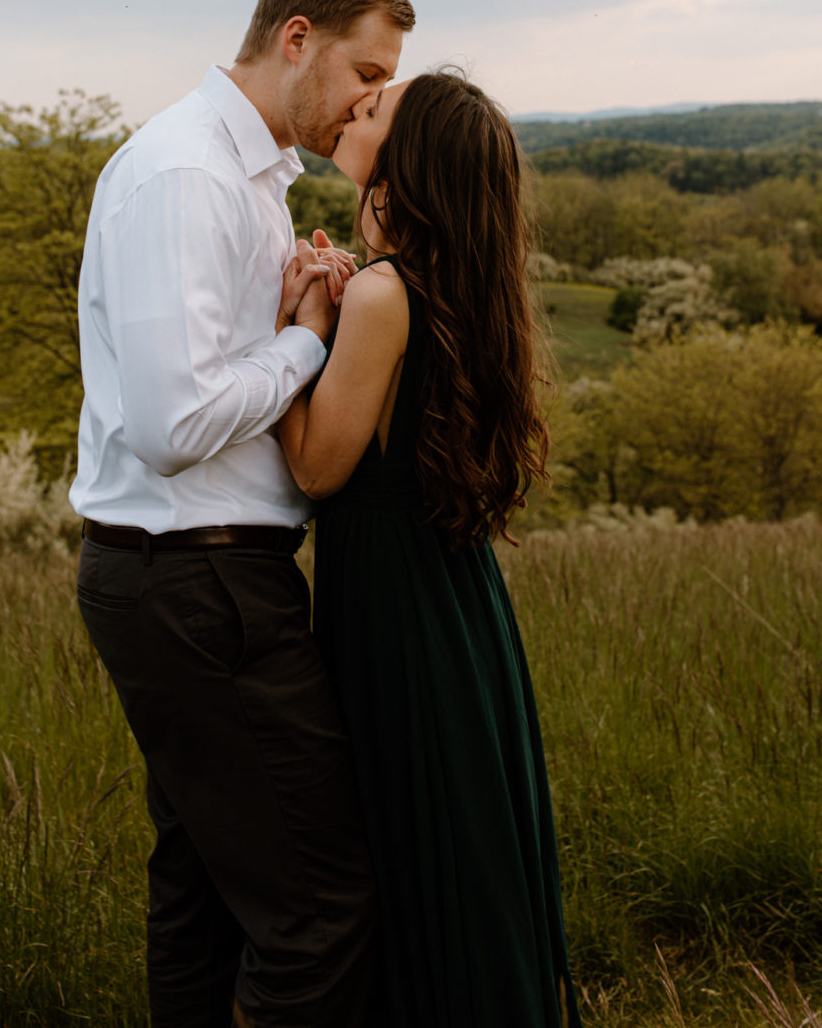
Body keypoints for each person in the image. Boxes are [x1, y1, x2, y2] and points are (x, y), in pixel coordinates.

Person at [69, 0, 415, 1028]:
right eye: (364, 69)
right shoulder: (187, 174)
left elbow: (207, 377)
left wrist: (286, 317)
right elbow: (172, 427)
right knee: (321, 906)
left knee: (204, 896)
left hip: (193, 576)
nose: (371, 98)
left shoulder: (251, 179)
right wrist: (309, 340)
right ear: (295, 38)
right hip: (197, 584)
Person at [278, 70, 584, 1028]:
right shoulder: (462, 286)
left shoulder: (378, 297)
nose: (358, 106)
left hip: (398, 617)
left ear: (409, 166)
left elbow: (319, 470)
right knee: (466, 840)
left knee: (414, 845)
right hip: (462, 605)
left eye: (378, 109)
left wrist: (298, 331)